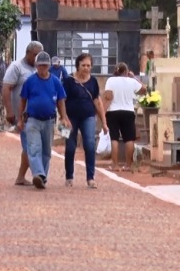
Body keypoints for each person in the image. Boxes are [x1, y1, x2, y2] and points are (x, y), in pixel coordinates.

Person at [18, 51, 70, 189]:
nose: (42, 69)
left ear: (49, 66)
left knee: (46, 151)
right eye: (40, 66)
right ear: (36, 66)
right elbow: (23, 99)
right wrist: (20, 118)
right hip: (33, 119)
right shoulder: (30, 81)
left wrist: (64, 117)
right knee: (34, 148)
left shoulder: (55, 82)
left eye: (45, 66)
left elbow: (61, 101)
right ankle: (39, 174)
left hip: (49, 121)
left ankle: (42, 177)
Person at [61, 53, 108, 189]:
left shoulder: (93, 81)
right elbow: (62, 101)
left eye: (88, 65)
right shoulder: (69, 81)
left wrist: (104, 122)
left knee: (90, 145)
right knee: (70, 147)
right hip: (70, 118)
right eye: (83, 65)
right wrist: (63, 117)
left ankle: (90, 178)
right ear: (78, 65)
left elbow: (97, 102)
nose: (86, 68)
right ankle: (69, 176)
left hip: (88, 116)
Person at [2, 41, 43, 186]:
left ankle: (21, 177)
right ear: (28, 53)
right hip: (24, 116)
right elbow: (6, 88)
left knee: (32, 146)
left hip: (39, 115)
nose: (38, 58)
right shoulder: (16, 67)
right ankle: (38, 174)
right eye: (35, 55)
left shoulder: (40, 68)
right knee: (30, 146)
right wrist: (10, 111)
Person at [103, 62, 147, 172]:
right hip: (128, 111)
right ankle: (128, 165)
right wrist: (134, 77)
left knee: (114, 138)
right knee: (129, 138)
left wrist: (103, 111)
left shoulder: (110, 80)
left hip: (113, 111)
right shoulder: (131, 81)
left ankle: (115, 165)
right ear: (126, 71)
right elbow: (144, 90)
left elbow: (108, 96)